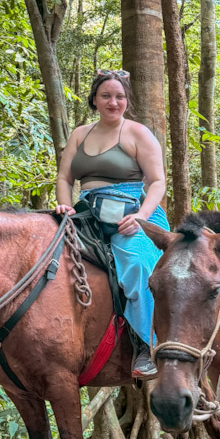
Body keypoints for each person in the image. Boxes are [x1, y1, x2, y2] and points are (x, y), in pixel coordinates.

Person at [55, 70, 168, 379]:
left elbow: (158, 182)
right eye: (106, 96)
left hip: (132, 212)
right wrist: (64, 204)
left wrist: (142, 217)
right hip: (87, 212)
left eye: (119, 96)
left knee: (138, 265)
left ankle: (149, 345)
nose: (113, 102)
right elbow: (65, 177)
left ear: (127, 101)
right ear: (94, 99)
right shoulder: (80, 133)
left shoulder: (138, 133)